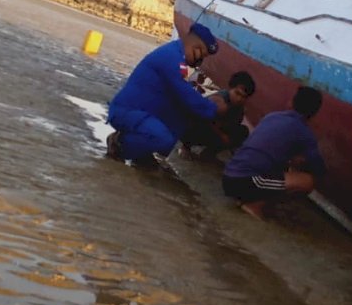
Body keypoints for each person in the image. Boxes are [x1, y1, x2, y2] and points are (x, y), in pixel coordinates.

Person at [105, 23, 226, 165]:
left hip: (145, 110)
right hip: (128, 111)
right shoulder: (171, 57)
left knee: (181, 119)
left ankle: (143, 152)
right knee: (162, 138)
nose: (200, 60)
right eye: (201, 54)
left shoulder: (177, 56)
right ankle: (120, 144)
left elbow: (183, 95)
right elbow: (184, 92)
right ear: (195, 46)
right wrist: (212, 108)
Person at [221, 86, 325, 219]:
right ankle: (253, 205)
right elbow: (318, 168)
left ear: (291, 103)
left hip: (229, 174)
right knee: (307, 181)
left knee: (281, 165)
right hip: (242, 180)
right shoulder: (305, 133)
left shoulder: (272, 116)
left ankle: (247, 198)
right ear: (314, 113)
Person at [179, 70, 256, 159]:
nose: (239, 99)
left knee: (243, 132)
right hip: (196, 129)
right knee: (197, 121)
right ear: (230, 88)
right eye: (237, 93)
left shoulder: (240, 109)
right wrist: (222, 135)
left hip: (214, 132)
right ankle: (185, 146)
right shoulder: (219, 100)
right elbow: (201, 116)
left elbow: (232, 126)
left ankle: (209, 152)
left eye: (243, 97)